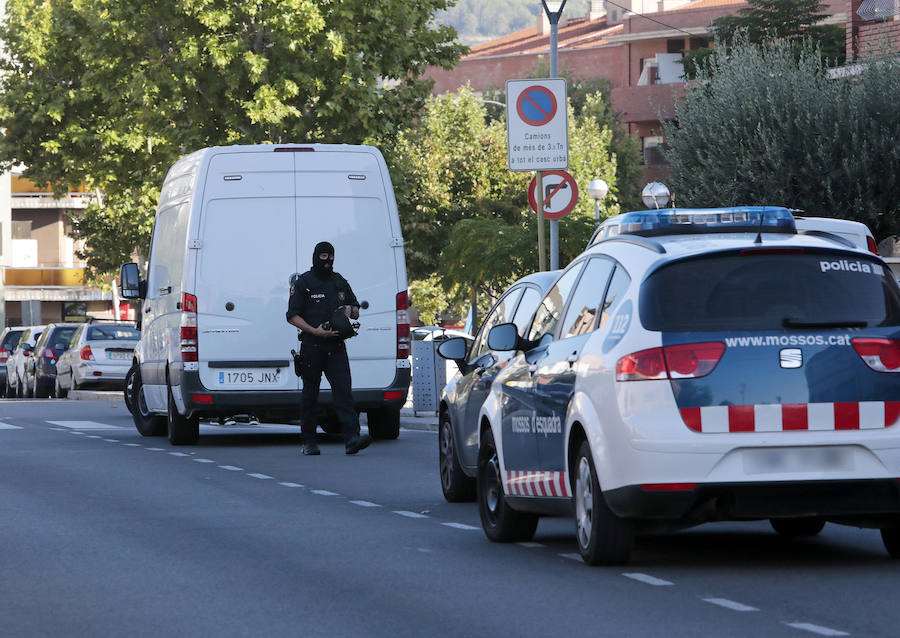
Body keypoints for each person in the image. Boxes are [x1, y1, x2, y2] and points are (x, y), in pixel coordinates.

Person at [286, 241, 371, 456]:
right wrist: (315, 331)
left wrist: (349, 311)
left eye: (330, 257)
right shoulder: (304, 282)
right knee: (310, 395)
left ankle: (352, 438)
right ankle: (309, 442)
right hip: (312, 346)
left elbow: (356, 310)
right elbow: (292, 316)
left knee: (344, 394)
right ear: (316, 257)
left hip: (336, 346)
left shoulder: (339, 281)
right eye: (323, 257)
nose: (327, 261)